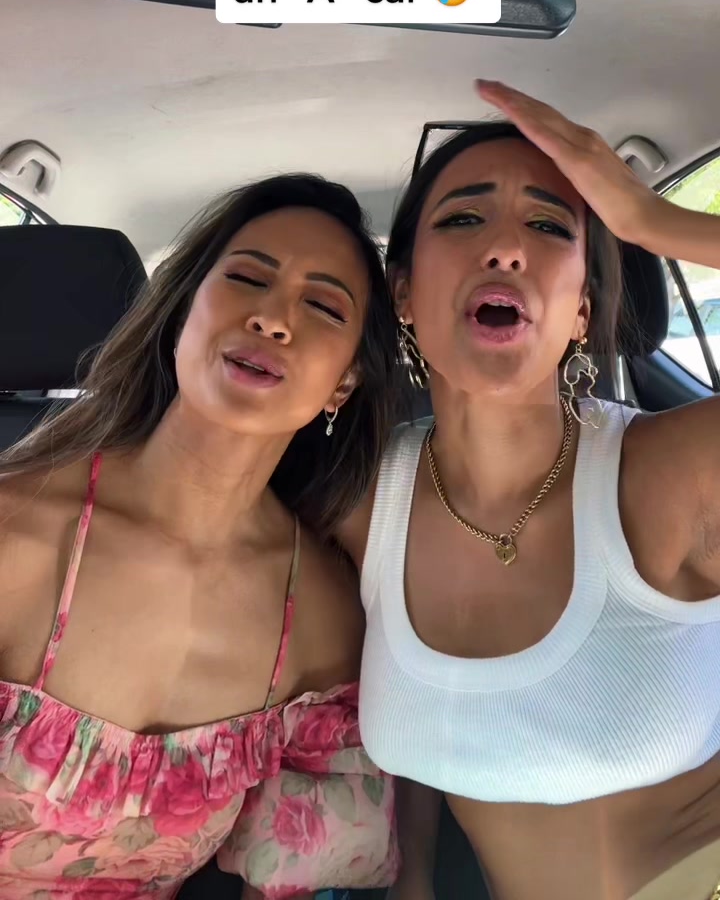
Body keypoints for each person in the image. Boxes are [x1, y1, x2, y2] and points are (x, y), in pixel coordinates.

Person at [339, 81, 720, 900]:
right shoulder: (361, 503)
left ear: (582, 309)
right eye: (462, 219)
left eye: (549, 226)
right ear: (403, 293)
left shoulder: (678, 472)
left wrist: (652, 222)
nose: (506, 248)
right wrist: (413, 878)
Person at [0, 173, 403, 899]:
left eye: (321, 306)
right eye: (247, 279)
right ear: (183, 312)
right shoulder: (15, 529)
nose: (272, 319)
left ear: (344, 383)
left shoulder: (323, 619)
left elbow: (288, 878)